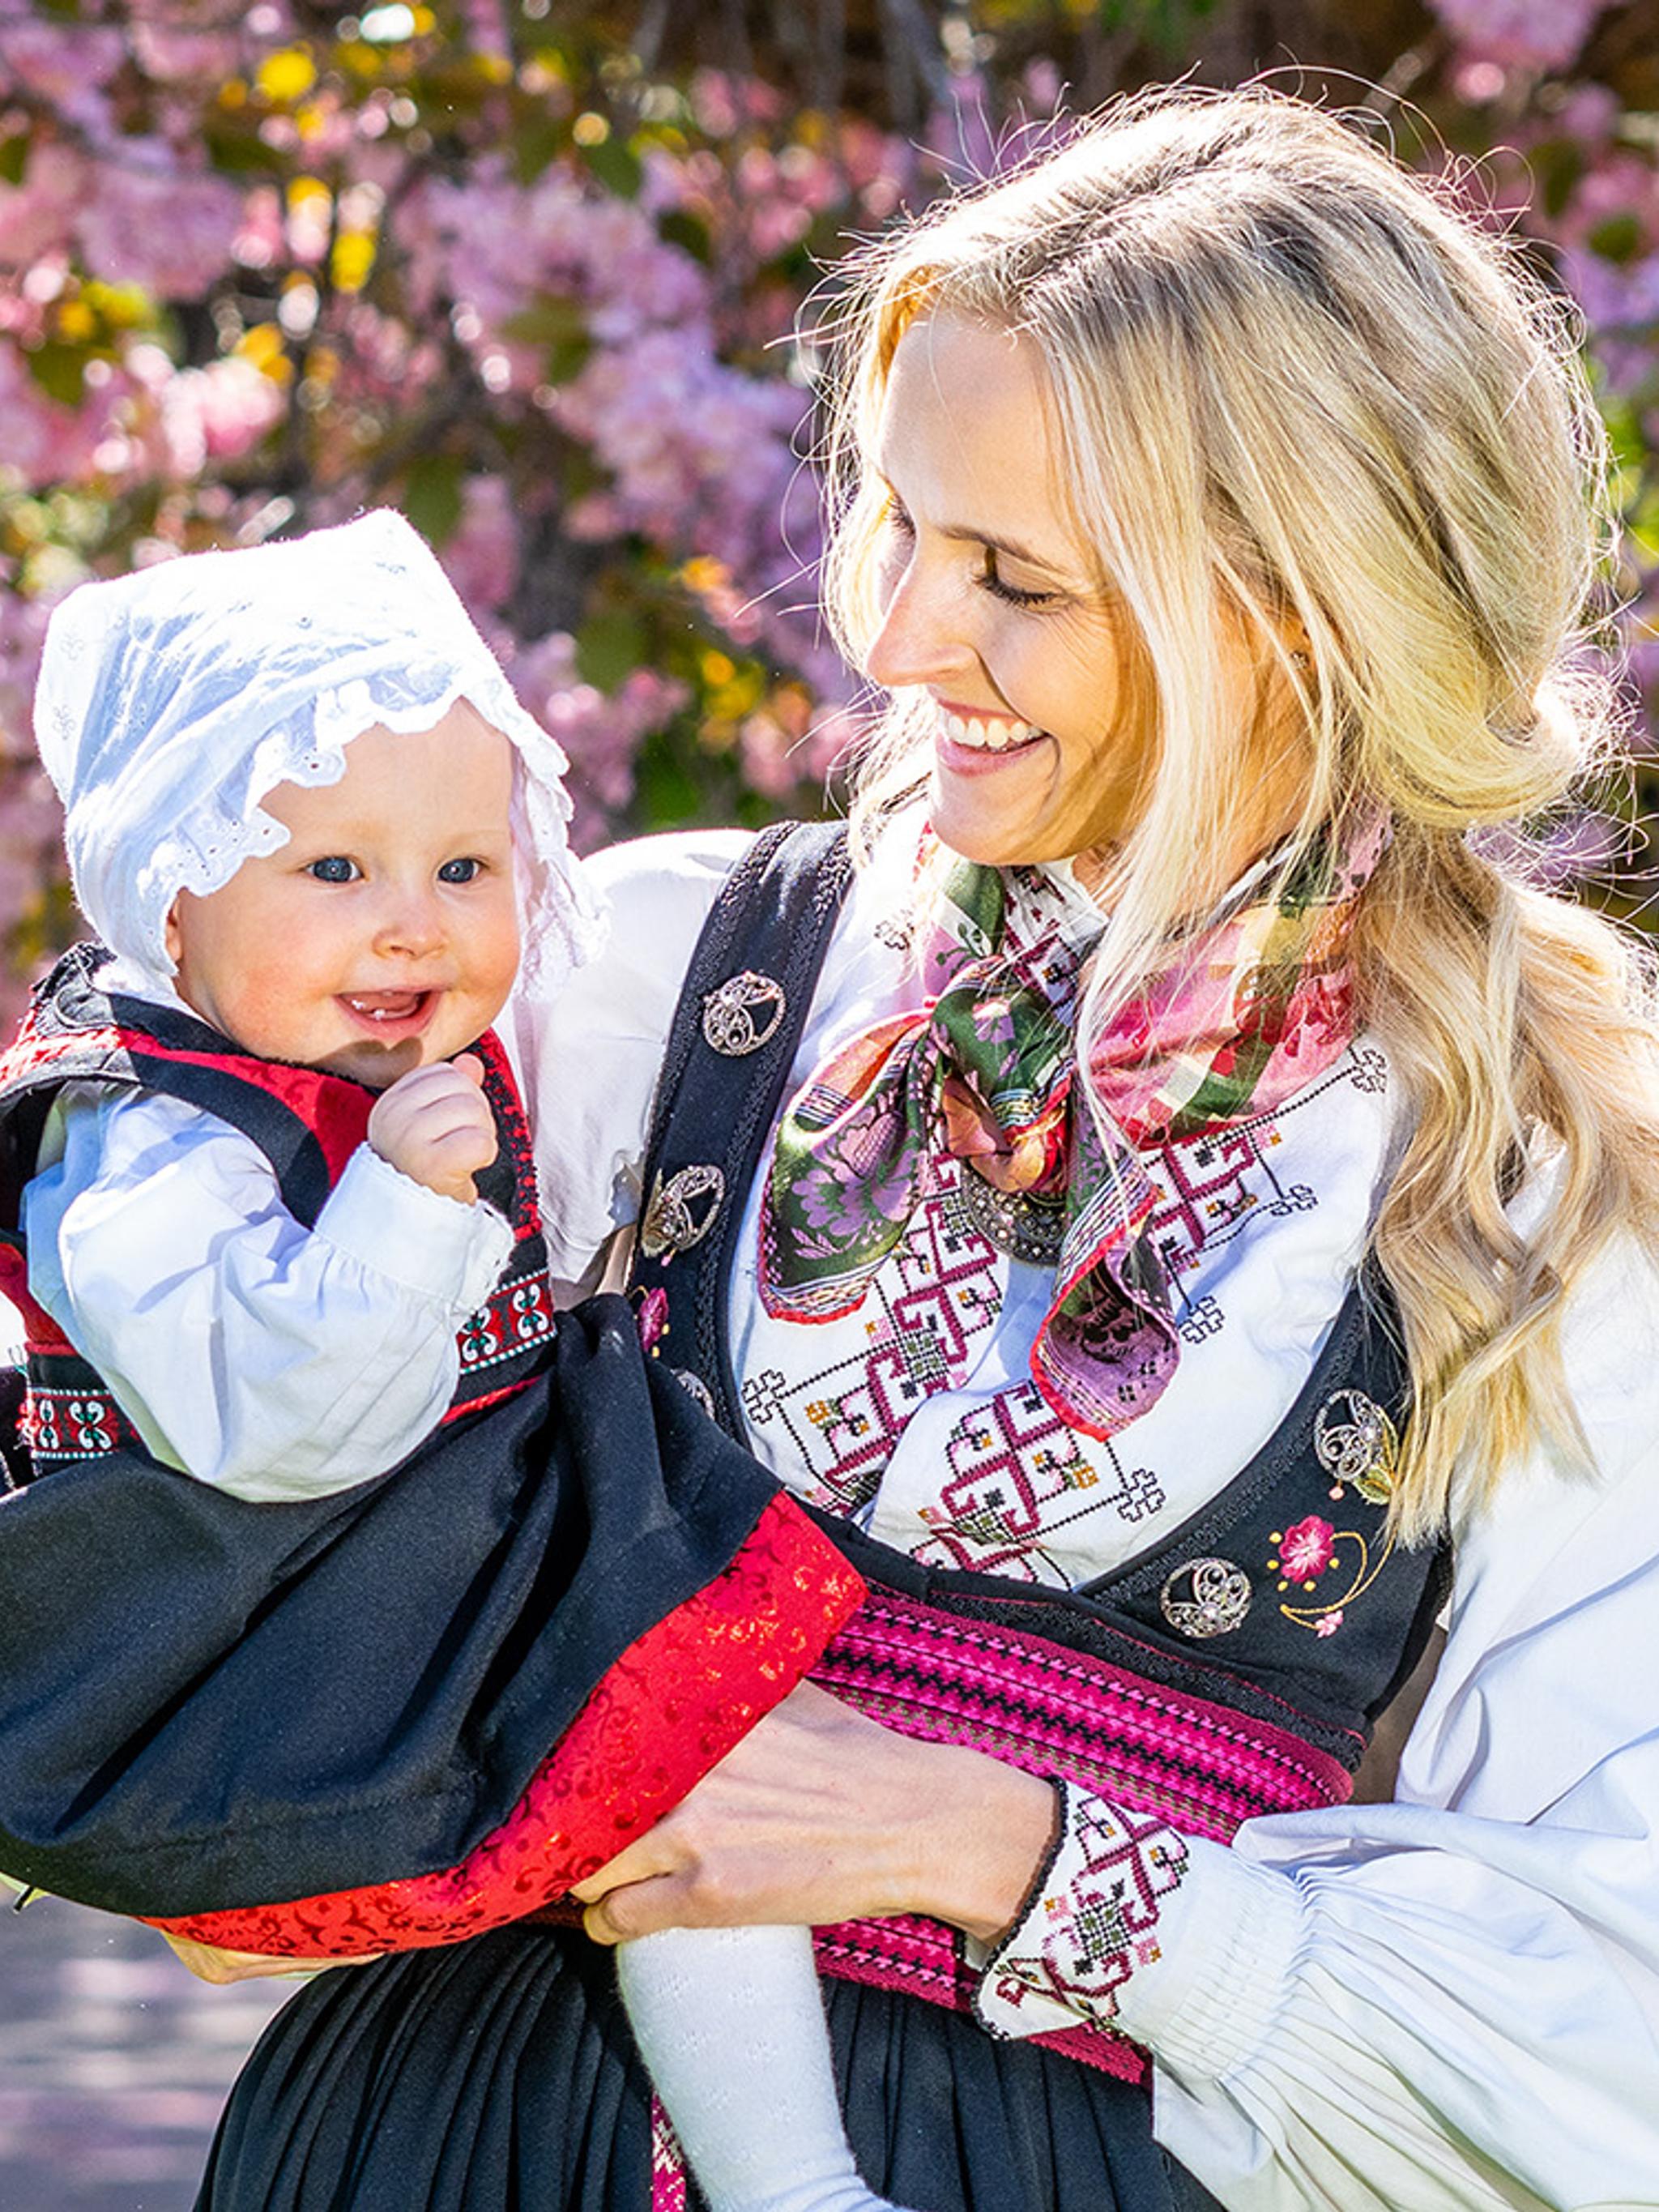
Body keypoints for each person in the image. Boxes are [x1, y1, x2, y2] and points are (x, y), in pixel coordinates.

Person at [11, 79, 1659, 2212]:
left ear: (1292, 616)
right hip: (437, 2138)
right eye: (899, 524)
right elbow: (168, 1331)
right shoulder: (659, 966)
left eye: (1013, 578)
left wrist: (989, 1842)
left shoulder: (1541, 1175)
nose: (892, 639)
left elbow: (1616, 2048)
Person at [0, 507, 932, 2212]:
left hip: (423, 1565)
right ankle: (786, 2178)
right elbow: (279, 1428)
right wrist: (408, 1211)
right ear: (170, 896)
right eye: (335, 871)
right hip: (257, 1614)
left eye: (462, 866)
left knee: (697, 1725)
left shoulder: (418, 1061)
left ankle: (787, 2177)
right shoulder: (142, 1145)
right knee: (670, 1731)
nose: (412, 926)